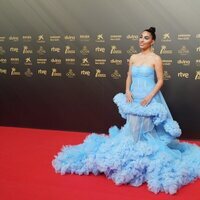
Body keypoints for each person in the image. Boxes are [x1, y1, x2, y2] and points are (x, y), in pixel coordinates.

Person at [52, 27, 200, 194]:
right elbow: (129, 75)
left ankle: (144, 158)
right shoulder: (133, 57)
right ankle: (132, 154)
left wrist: (150, 97)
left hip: (148, 98)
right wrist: (127, 91)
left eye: (146, 38)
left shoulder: (156, 58)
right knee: (132, 128)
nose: (141, 40)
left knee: (146, 129)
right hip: (133, 96)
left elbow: (160, 81)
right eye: (140, 37)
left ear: (153, 41)